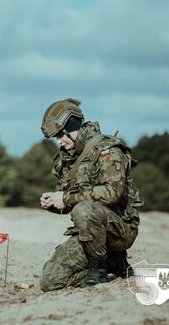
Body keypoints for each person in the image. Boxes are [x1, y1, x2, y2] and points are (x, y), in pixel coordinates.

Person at [39, 98, 143, 291]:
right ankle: (113, 263)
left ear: (74, 126)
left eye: (61, 134)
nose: (59, 141)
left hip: (120, 230)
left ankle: (99, 270)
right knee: (50, 282)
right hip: (90, 234)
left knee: (84, 210)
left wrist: (66, 199)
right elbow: (68, 202)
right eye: (56, 137)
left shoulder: (107, 150)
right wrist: (54, 202)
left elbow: (113, 192)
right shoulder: (67, 158)